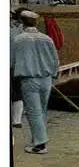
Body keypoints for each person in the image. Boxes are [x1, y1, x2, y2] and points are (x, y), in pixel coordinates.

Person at [11, 10, 59, 154]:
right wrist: (53, 75)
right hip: (46, 79)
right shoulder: (47, 39)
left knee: (34, 112)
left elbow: (11, 61)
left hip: (29, 79)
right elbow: (55, 60)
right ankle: (37, 139)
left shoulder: (18, 39)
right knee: (42, 111)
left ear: (21, 22)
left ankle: (40, 145)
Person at [10, 8, 29, 128]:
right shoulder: (23, 31)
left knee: (17, 92)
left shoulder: (23, 31)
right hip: (15, 65)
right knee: (17, 92)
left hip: (16, 65)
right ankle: (16, 120)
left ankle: (16, 120)